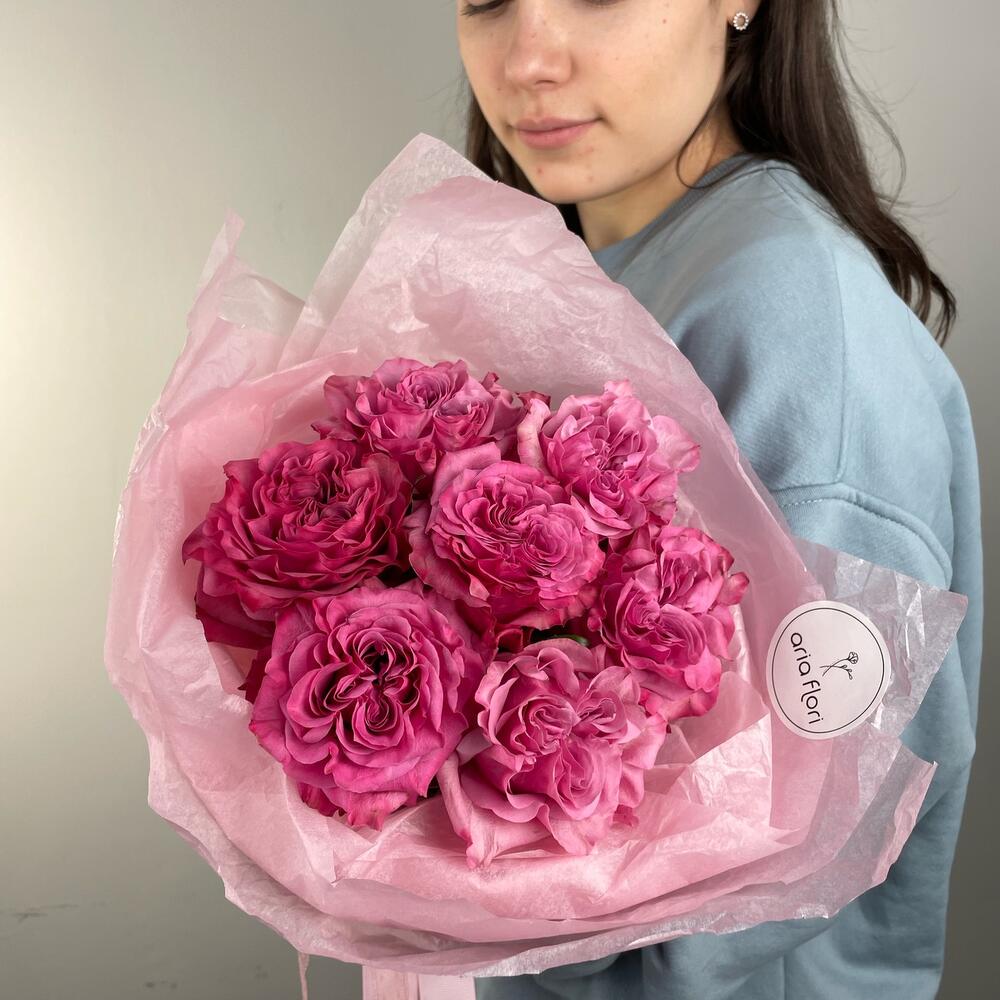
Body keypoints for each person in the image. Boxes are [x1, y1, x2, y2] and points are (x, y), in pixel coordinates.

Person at [455, 1, 984, 997]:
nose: (526, 59)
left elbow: (805, 829)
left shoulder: (792, 325)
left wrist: (469, 909)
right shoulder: (563, 265)